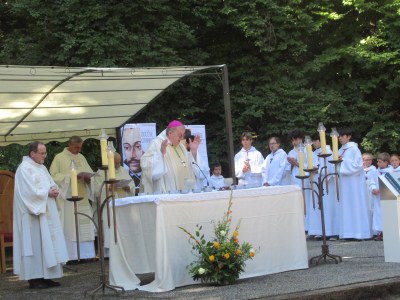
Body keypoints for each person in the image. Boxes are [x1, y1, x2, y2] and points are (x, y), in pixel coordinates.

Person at [13, 141, 68, 289]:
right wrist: (46, 193)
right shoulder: (24, 169)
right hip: (32, 215)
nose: (45, 156)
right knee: (36, 245)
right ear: (32, 154)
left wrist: (54, 190)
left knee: (48, 244)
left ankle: (47, 276)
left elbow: (50, 183)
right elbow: (27, 192)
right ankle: (34, 278)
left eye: (45, 153)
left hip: (46, 211)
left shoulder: (42, 167)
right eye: (42, 153)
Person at [50, 136, 96, 262]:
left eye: (80, 147)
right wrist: (70, 178)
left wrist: (88, 179)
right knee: (71, 226)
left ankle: (87, 255)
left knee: (85, 224)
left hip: (83, 196)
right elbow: (53, 176)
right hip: (68, 197)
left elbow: (90, 173)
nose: (78, 150)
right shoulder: (59, 157)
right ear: (69, 145)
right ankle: (72, 256)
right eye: (76, 147)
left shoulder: (81, 157)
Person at [140, 120, 204, 194]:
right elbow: (148, 167)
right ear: (170, 133)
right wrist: (161, 154)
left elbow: (194, 168)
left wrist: (193, 151)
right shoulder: (156, 143)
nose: (182, 138)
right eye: (180, 135)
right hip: (168, 191)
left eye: (183, 135)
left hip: (185, 191)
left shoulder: (181, 146)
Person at [94, 152, 135, 257]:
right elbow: (96, 190)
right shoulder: (101, 172)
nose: (118, 165)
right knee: (109, 227)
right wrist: (107, 188)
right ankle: (108, 252)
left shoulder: (122, 170)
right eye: (115, 163)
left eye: (119, 163)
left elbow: (131, 184)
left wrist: (128, 187)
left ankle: (123, 249)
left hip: (121, 203)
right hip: (109, 205)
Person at [337, 127, 372, 240]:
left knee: (356, 205)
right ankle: (348, 233)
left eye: (342, 136)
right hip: (344, 183)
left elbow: (358, 166)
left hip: (354, 184)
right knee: (346, 206)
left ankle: (360, 233)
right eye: (339, 136)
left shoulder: (354, 149)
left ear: (349, 136)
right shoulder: (340, 150)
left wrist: (342, 162)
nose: (340, 138)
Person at [307, 135, 339, 240]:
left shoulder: (329, 152)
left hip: (327, 184)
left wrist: (320, 171)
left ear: (319, 141)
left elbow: (330, 167)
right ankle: (320, 230)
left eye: (314, 141)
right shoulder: (313, 153)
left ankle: (332, 231)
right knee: (318, 206)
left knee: (328, 206)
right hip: (316, 183)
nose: (313, 144)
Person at [362, 153, 380, 240]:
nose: (368, 161)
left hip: (371, 192)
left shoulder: (374, 170)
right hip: (362, 192)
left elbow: (375, 181)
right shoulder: (359, 170)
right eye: (366, 159)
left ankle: (375, 231)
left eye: (370, 160)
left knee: (372, 210)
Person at [122, 127, 144, 195]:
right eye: (127, 147)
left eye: (138, 146)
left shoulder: (149, 172)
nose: (132, 155)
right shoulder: (124, 173)